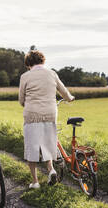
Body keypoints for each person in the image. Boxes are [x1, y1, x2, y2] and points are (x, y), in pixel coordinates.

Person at [19, 50, 74, 189]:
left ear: (28, 63)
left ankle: (35, 182)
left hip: (32, 116)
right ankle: (51, 170)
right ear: (43, 61)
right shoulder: (52, 73)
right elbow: (64, 92)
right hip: (50, 114)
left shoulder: (25, 76)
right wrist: (70, 98)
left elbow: (21, 100)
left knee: (32, 148)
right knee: (48, 144)